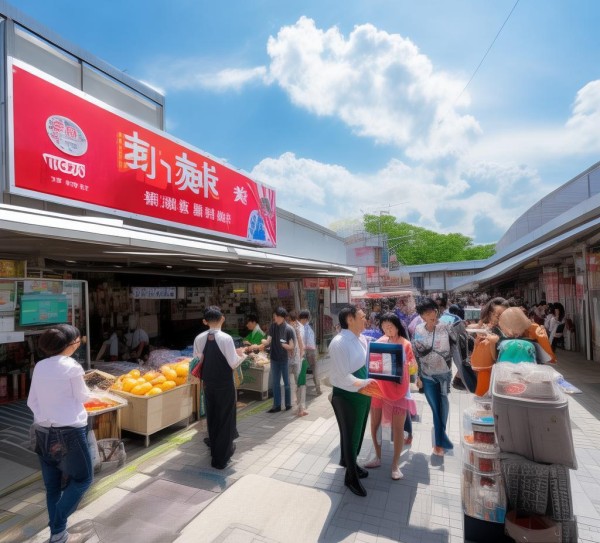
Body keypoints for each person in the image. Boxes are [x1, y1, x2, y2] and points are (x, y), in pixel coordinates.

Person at [27, 324, 93, 543]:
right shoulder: (72, 366)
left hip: (42, 432)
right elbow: (83, 396)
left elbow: (32, 401)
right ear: (70, 344)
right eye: (78, 341)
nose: (78, 344)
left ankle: (58, 535)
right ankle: (57, 522)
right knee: (83, 479)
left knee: (52, 486)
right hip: (70, 433)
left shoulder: (40, 366)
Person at [328, 305, 375, 497]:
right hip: (348, 395)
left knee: (359, 432)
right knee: (351, 435)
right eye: (362, 317)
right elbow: (342, 376)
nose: (366, 320)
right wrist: (364, 383)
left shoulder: (361, 338)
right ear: (350, 319)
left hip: (363, 393)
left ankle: (352, 464)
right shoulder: (338, 343)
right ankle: (350, 477)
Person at [364, 312, 417, 480]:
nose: (387, 329)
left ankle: (395, 464)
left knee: (398, 428)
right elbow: (372, 362)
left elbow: (413, 367)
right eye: (384, 326)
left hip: (398, 390)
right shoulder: (379, 342)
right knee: (374, 424)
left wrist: (407, 365)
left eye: (390, 326)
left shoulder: (405, 344)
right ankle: (377, 456)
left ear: (397, 327)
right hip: (379, 389)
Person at [193, 306, 245, 469]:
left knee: (213, 416)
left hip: (208, 384)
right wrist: (242, 355)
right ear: (222, 318)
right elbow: (233, 363)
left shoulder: (199, 338)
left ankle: (215, 449)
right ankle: (221, 458)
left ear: (205, 321)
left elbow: (197, 359)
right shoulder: (226, 338)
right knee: (225, 418)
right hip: (224, 383)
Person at [412, 298, 455, 457]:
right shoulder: (418, 329)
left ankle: (439, 442)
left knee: (443, 404)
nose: (432, 315)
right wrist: (418, 376)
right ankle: (440, 441)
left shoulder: (446, 326)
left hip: (444, 374)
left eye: (434, 311)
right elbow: (416, 354)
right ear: (422, 316)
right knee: (435, 408)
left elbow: (457, 344)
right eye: (427, 312)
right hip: (427, 375)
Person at [260, 307, 295, 413]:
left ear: (283, 317)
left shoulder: (289, 329)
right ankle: (277, 405)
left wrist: (286, 346)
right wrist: (264, 342)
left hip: (284, 359)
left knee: (286, 383)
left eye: (278, 316)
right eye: (275, 316)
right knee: (275, 383)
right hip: (274, 358)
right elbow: (268, 340)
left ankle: (288, 404)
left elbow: (292, 346)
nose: (275, 318)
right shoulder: (273, 326)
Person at [287, 310, 308, 417]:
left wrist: (301, 357)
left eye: (293, 321)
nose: (293, 323)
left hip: (296, 361)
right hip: (292, 361)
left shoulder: (296, 329)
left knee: (299, 384)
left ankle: (300, 408)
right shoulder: (292, 329)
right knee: (296, 385)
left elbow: (301, 344)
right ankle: (298, 407)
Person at [299, 309, 321, 395]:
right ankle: (318, 389)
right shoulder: (309, 327)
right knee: (314, 369)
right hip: (312, 350)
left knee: (302, 369)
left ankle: (301, 389)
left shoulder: (300, 327)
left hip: (303, 350)